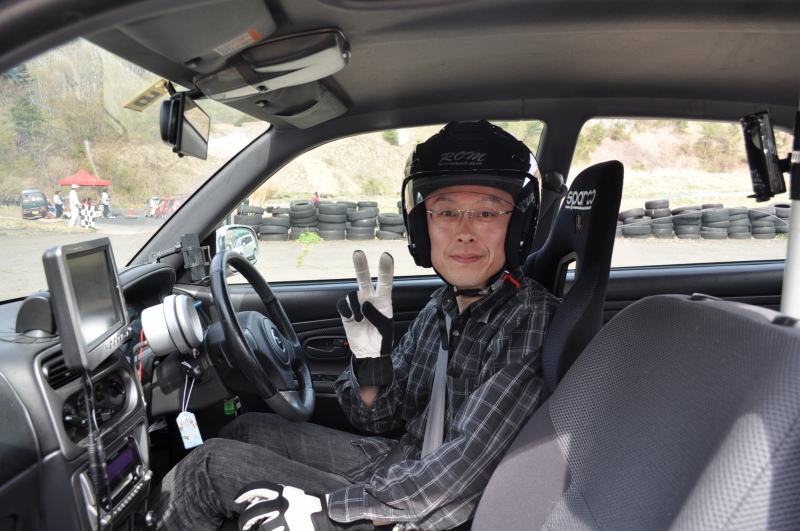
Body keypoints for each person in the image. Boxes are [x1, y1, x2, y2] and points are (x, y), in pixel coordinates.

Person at [151, 121, 560, 530]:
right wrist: (370, 364)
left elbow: (462, 472)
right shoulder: (443, 305)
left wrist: (324, 512)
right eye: (446, 212)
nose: (464, 232)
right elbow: (375, 419)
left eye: (487, 212)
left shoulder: (528, 317)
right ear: (423, 226)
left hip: (424, 510)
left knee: (206, 469)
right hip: (400, 463)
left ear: (518, 226)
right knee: (245, 429)